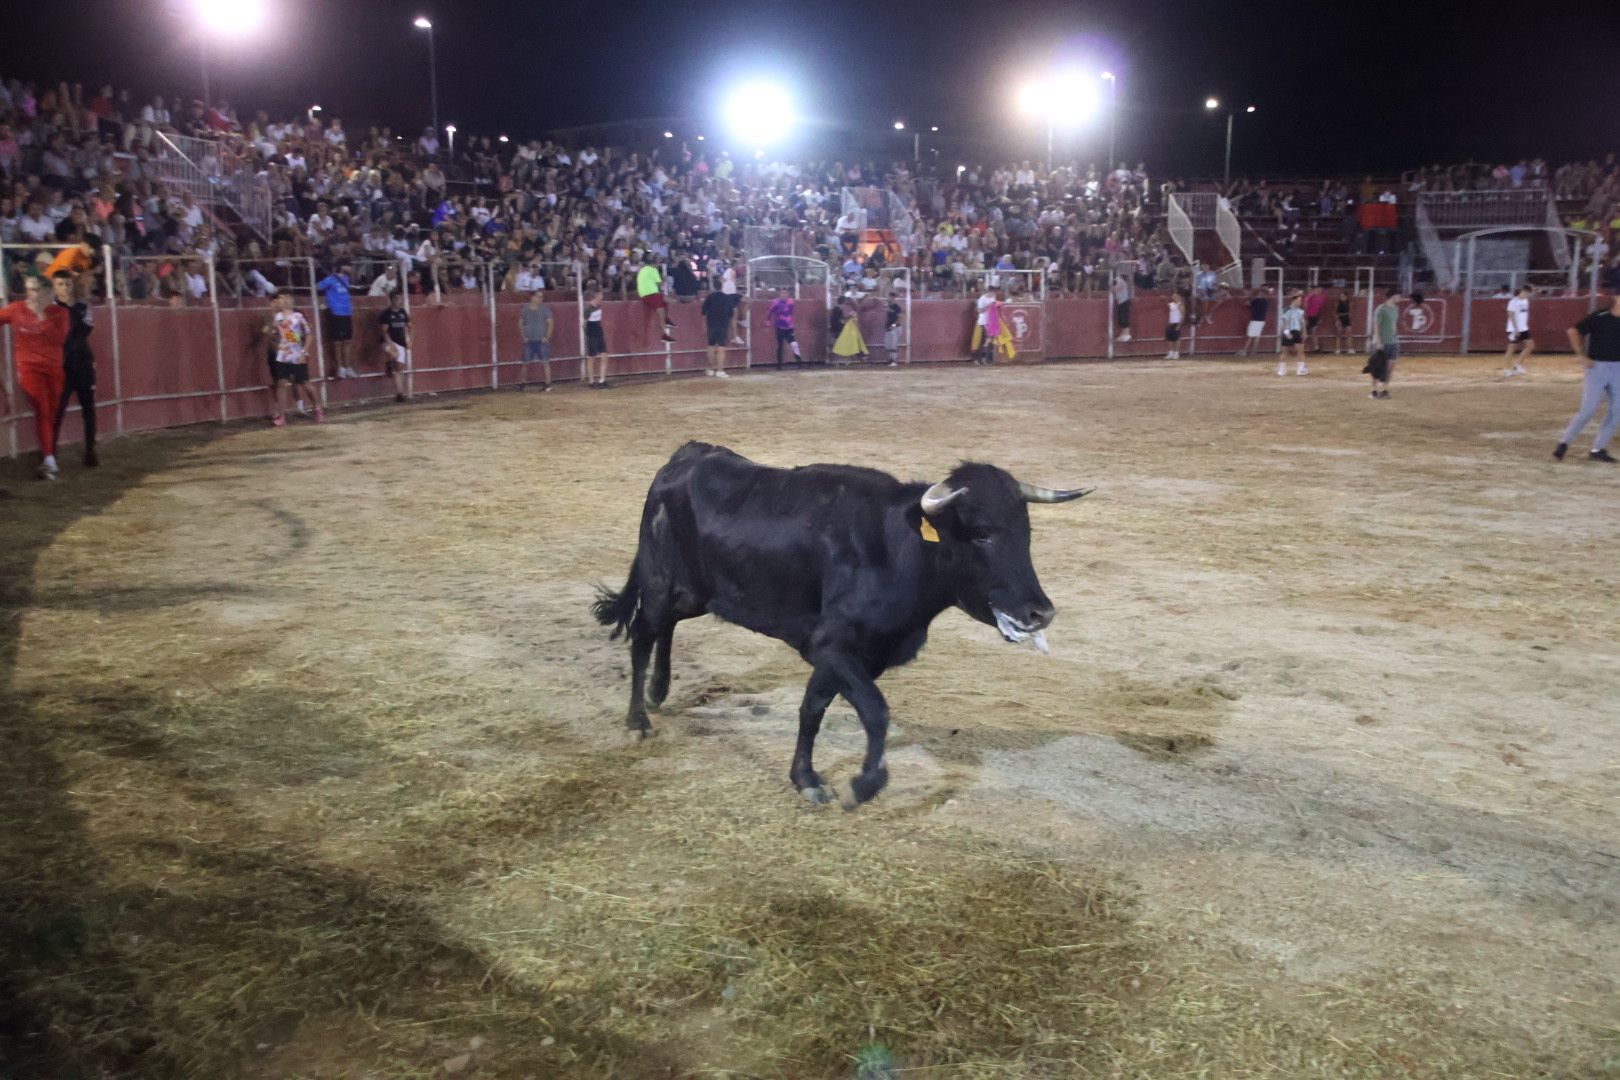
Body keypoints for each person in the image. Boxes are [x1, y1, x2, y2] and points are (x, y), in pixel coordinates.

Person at [0, 274, 70, 479]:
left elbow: (59, 339)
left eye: (36, 289)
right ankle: (49, 458)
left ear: (48, 292)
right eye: (29, 289)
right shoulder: (16, 309)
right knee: (43, 408)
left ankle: (48, 456)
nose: (31, 294)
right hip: (29, 368)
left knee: (50, 412)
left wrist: (41, 316)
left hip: (53, 368)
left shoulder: (59, 313)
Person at [1553, 292, 1620, 462]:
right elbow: (1573, 331)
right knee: (1588, 409)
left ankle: (1598, 449)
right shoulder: (1600, 316)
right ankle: (1564, 443)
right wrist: (1580, 355)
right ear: (1616, 297)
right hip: (1597, 367)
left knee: (1617, 412)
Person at [50, 270, 98, 467]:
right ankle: (50, 453)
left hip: (82, 364)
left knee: (88, 408)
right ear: (54, 287)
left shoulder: (82, 308)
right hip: (62, 366)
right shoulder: (51, 310)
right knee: (57, 410)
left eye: (67, 284)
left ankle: (90, 450)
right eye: (60, 284)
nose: (64, 288)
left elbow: (82, 332)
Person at [265, 292, 322, 426]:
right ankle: (282, 415)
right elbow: (273, 333)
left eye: (283, 298)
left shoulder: (298, 316)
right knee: (281, 384)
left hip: (296, 354)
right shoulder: (278, 317)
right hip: (283, 355)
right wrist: (276, 342)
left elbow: (309, 334)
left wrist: (304, 352)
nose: (280, 301)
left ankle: (317, 408)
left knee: (305, 383)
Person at [317, 260, 356, 379]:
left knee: (347, 340)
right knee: (337, 341)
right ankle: (340, 368)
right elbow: (318, 287)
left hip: (347, 312)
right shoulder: (330, 280)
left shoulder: (346, 279)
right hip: (336, 312)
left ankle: (347, 366)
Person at [1365, 287, 1401, 399]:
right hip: (1382, 343)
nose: (1400, 298)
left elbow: (1394, 325)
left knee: (1390, 368)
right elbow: (1376, 326)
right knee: (1377, 367)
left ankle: (1384, 390)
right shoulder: (1381, 309)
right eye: (1398, 296)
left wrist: (1395, 337)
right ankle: (1374, 391)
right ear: (1393, 296)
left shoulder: (1395, 308)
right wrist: (1379, 342)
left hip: (1393, 342)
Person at [377, 291, 412, 402]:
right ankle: (389, 363)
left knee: (398, 368)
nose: (399, 301)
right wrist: (391, 343)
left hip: (400, 342)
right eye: (397, 299)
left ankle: (400, 393)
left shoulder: (402, 312)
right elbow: (384, 331)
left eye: (400, 299)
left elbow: (408, 326)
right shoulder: (386, 314)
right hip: (388, 342)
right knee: (394, 355)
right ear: (391, 300)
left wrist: (408, 339)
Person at [518, 291, 554, 391]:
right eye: (538, 297)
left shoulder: (544, 309)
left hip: (540, 340)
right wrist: (523, 336)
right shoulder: (525, 310)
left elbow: (551, 323)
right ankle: (522, 382)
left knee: (545, 362)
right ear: (532, 297)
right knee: (525, 363)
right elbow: (520, 323)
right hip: (529, 340)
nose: (540, 299)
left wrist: (547, 337)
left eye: (541, 297)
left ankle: (548, 383)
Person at [635, 261, 676, 342]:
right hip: (652, 294)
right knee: (661, 312)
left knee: (664, 301)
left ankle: (666, 319)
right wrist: (664, 279)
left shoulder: (642, 271)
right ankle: (664, 334)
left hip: (643, 295)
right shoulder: (653, 270)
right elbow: (660, 284)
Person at [701, 285, 733, 379]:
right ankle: (720, 370)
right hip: (723, 324)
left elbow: (703, 311)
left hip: (711, 324)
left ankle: (710, 369)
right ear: (722, 287)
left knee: (711, 346)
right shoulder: (727, 298)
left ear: (713, 287)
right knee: (721, 348)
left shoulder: (710, 297)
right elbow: (731, 313)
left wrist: (704, 324)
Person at [1503, 284, 1534, 377]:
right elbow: (1510, 315)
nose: (1529, 295)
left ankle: (1518, 365)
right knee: (1511, 349)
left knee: (1530, 346)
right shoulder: (1513, 301)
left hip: (1524, 328)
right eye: (1529, 293)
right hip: (1514, 329)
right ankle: (1507, 369)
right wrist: (1516, 328)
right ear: (1524, 291)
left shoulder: (1526, 301)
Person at [584, 288, 611, 387]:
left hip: (599, 333)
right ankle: (591, 381)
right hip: (592, 334)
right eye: (600, 295)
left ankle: (601, 380)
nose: (602, 297)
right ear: (595, 296)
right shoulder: (588, 308)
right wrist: (588, 334)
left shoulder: (598, 306)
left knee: (604, 355)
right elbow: (584, 323)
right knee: (591, 358)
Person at [768, 288, 800, 369]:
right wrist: (768, 321)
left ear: (788, 294)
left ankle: (799, 362)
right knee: (780, 346)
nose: (783, 295)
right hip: (779, 327)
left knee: (794, 344)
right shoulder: (775, 302)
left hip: (789, 326)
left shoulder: (790, 302)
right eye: (782, 293)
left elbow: (791, 312)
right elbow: (770, 311)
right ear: (779, 294)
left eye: (785, 293)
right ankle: (779, 365)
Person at [1278, 292, 1307, 376]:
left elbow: (1302, 323)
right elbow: (1285, 322)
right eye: (1299, 301)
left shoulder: (1300, 311)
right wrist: (1287, 332)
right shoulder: (1286, 310)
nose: (1300, 303)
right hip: (1290, 331)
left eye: (1300, 301)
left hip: (1296, 331)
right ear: (1293, 301)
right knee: (1285, 352)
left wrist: (1304, 332)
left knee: (1300, 351)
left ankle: (1300, 370)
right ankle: (1282, 370)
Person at [973, 285, 997, 363]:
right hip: (983, 321)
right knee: (985, 340)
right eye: (992, 292)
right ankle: (980, 359)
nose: (993, 293)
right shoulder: (982, 299)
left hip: (990, 322)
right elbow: (979, 311)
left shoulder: (993, 298)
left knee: (989, 340)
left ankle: (986, 358)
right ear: (989, 291)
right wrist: (989, 307)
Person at [1241, 291, 1269, 357]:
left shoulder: (1256, 300)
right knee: (1256, 337)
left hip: (1255, 320)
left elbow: (1247, 304)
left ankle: (1244, 351)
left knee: (1250, 336)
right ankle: (1253, 353)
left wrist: (1248, 298)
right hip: (1262, 320)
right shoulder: (1265, 301)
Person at [1303, 285, 1327, 352]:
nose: (1318, 291)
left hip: (1314, 316)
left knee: (1314, 332)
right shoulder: (1309, 296)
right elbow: (1305, 307)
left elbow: (1319, 308)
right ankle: (1302, 347)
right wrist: (1305, 318)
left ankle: (1316, 347)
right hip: (1308, 316)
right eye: (1317, 290)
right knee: (1305, 333)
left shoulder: (1320, 297)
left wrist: (1319, 317)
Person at [1112, 272, 1133, 342]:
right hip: (1122, 302)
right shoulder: (1121, 281)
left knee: (1123, 318)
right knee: (1122, 319)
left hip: (1124, 302)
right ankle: (1124, 334)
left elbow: (1116, 289)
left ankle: (1126, 334)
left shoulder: (1120, 280)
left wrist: (1112, 287)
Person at [883, 295, 904, 366]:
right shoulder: (886, 306)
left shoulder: (896, 307)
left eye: (889, 297)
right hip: (888, 327)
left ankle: (894, 360)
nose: (888, 298)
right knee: (888, 344)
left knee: (893, 344)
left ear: (893, 298)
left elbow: (899, 318)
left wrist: (893, 326)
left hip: (895, 328)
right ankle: (890, 359)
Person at [1165, 294, 1183, 359]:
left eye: (1175, 297)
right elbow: (1167, 304)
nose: (1174, 298)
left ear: (1178, 298)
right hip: (1171, 323)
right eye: (1173, 297)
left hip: (1176, 323)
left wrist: (1179, 324)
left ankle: (1176, 353)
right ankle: (1171, 353)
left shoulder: (1180, 304)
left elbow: (1182, 315)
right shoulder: (1172, 304)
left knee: (1177, 339)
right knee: (1169, 339)